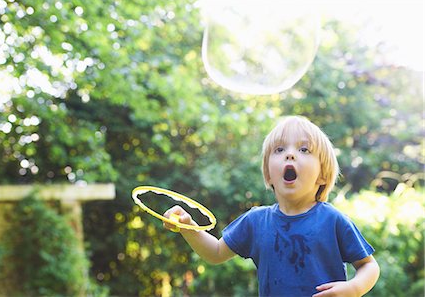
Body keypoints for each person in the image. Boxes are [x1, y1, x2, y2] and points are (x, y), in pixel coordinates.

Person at [163, 116, 380, 297]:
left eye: (304, 149)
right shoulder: (256, 221)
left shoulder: (332, 220)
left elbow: (369, 266)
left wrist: (353, 288)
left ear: (322, 175)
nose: (290, 153)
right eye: (279, 149)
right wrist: (187, 226)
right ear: (269, 174)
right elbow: (216, 252)